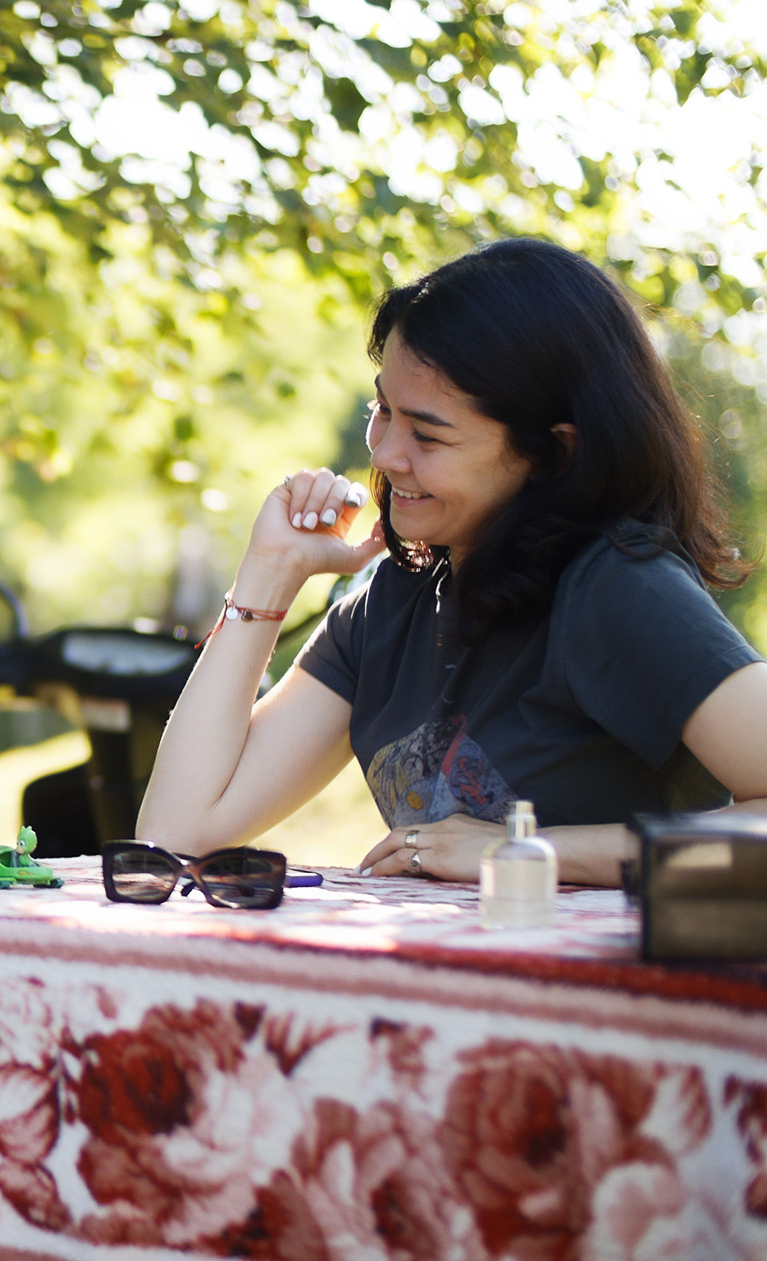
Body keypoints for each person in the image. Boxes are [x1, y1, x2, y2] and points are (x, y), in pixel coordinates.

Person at [137, 239, 767, 886]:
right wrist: (270, 574)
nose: (385, 455)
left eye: (428, 434)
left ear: (553, 454)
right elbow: (175, 835)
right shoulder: (389, 607)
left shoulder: (620, 590)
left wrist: (527, 851)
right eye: (382, 410)